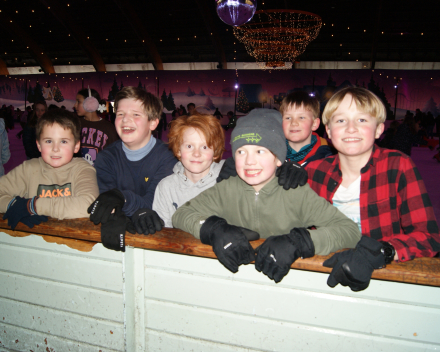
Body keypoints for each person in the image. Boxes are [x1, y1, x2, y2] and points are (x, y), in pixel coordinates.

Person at [172, 108, 361, 283]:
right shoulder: (226, 189)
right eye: (241, 152)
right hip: (236, 282)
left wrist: (299, 242)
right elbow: (181, 215)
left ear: (278, 158)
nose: (249, 161)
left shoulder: (296, 193)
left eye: (260, 151)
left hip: (287, 283)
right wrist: (213, 229)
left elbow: (349, 231)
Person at [305, 87, 440, 291]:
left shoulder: (398, 165)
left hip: (381, 280)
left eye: (362, 120)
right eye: (341, 120)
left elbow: (429, 237)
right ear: (329, 131)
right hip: (323, 276)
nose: (351, 128)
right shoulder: (314, 172)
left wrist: (382, 251)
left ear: (378, 129)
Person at [88, 86, 177, 251]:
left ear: (153, 123)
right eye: (120, 114)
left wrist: (122, 198)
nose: (125, 120)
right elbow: (107, 203)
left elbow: (154, 204)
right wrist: (116, 210)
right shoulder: (106, 158)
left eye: (136, 114)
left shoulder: (168, 158)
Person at [0, 109, 99, 229]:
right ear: (39, 145)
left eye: (63, 141)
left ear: (76, 146)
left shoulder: (83, 169)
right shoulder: (28, 168)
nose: (55, 148)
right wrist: (15, 205)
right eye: (48, 141)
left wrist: (33, 206)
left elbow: (88, 205)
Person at [153, 113, 225, 227]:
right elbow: (163, 232)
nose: (196, 154)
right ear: (178, 150)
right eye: (189, 146)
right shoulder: (166, 187)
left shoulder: (226, 183)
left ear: (215, 152)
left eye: (205, 147)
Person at [280, 91, 333, 166]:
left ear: (314, 124)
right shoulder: (272, 156)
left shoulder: (327, 158)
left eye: (301, 117)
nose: (294, 123)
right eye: (288, 118)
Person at [74, 88, 119, 165]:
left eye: (78, 101)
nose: (75, 105)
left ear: (90, 102)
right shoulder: (75, 124)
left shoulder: (108, 128)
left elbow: (114, 155)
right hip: (78, 174)